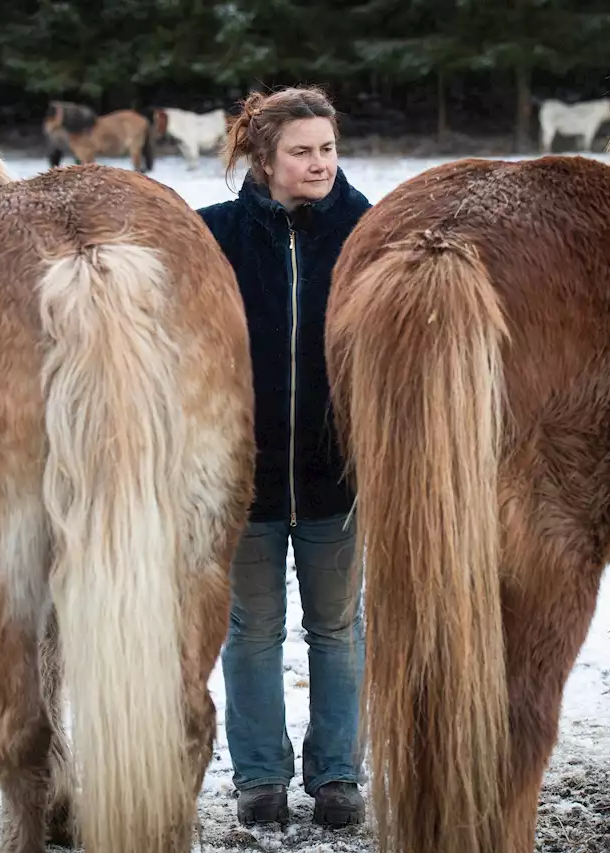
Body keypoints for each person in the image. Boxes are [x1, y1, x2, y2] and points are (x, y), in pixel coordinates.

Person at [196, 86, 371, 829]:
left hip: (337, 478)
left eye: (327, 149)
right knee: (252, 632)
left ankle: (337, 776)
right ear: (263, 159)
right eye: (301, 151)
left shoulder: (369, 231)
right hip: (247, 480)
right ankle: (259, 777)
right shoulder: (212, 238)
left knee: (337, 630)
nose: (319, 163)